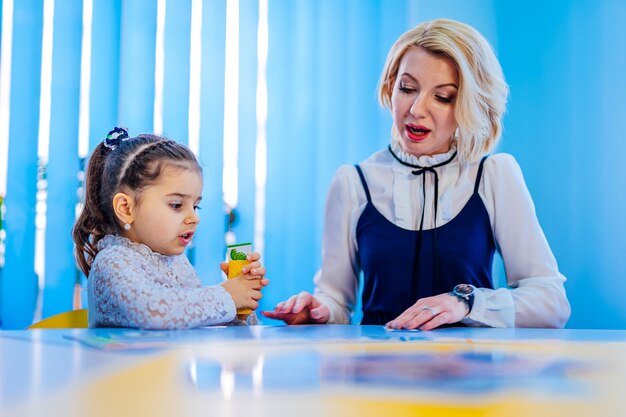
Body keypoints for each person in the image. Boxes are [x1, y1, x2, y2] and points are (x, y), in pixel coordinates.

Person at [263, 18, 570, 330]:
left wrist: (466, 302)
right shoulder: (352, 182)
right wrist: (319, 309)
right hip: (376, 373)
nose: (416, 109)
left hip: (471, 374)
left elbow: (551, 302)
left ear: (469, 103)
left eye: (443, 96)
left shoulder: (493, 174)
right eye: (407, 88)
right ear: (390, 85)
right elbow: (336, 301)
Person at [73, 127, 268, 329]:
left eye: (195, 206)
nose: (194, 218)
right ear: (126, 208)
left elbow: (196, 322)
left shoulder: (177, 264)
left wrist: (240, 305)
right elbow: (153, 312)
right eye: (176, 205)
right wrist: (227, 295)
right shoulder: (112, 262)